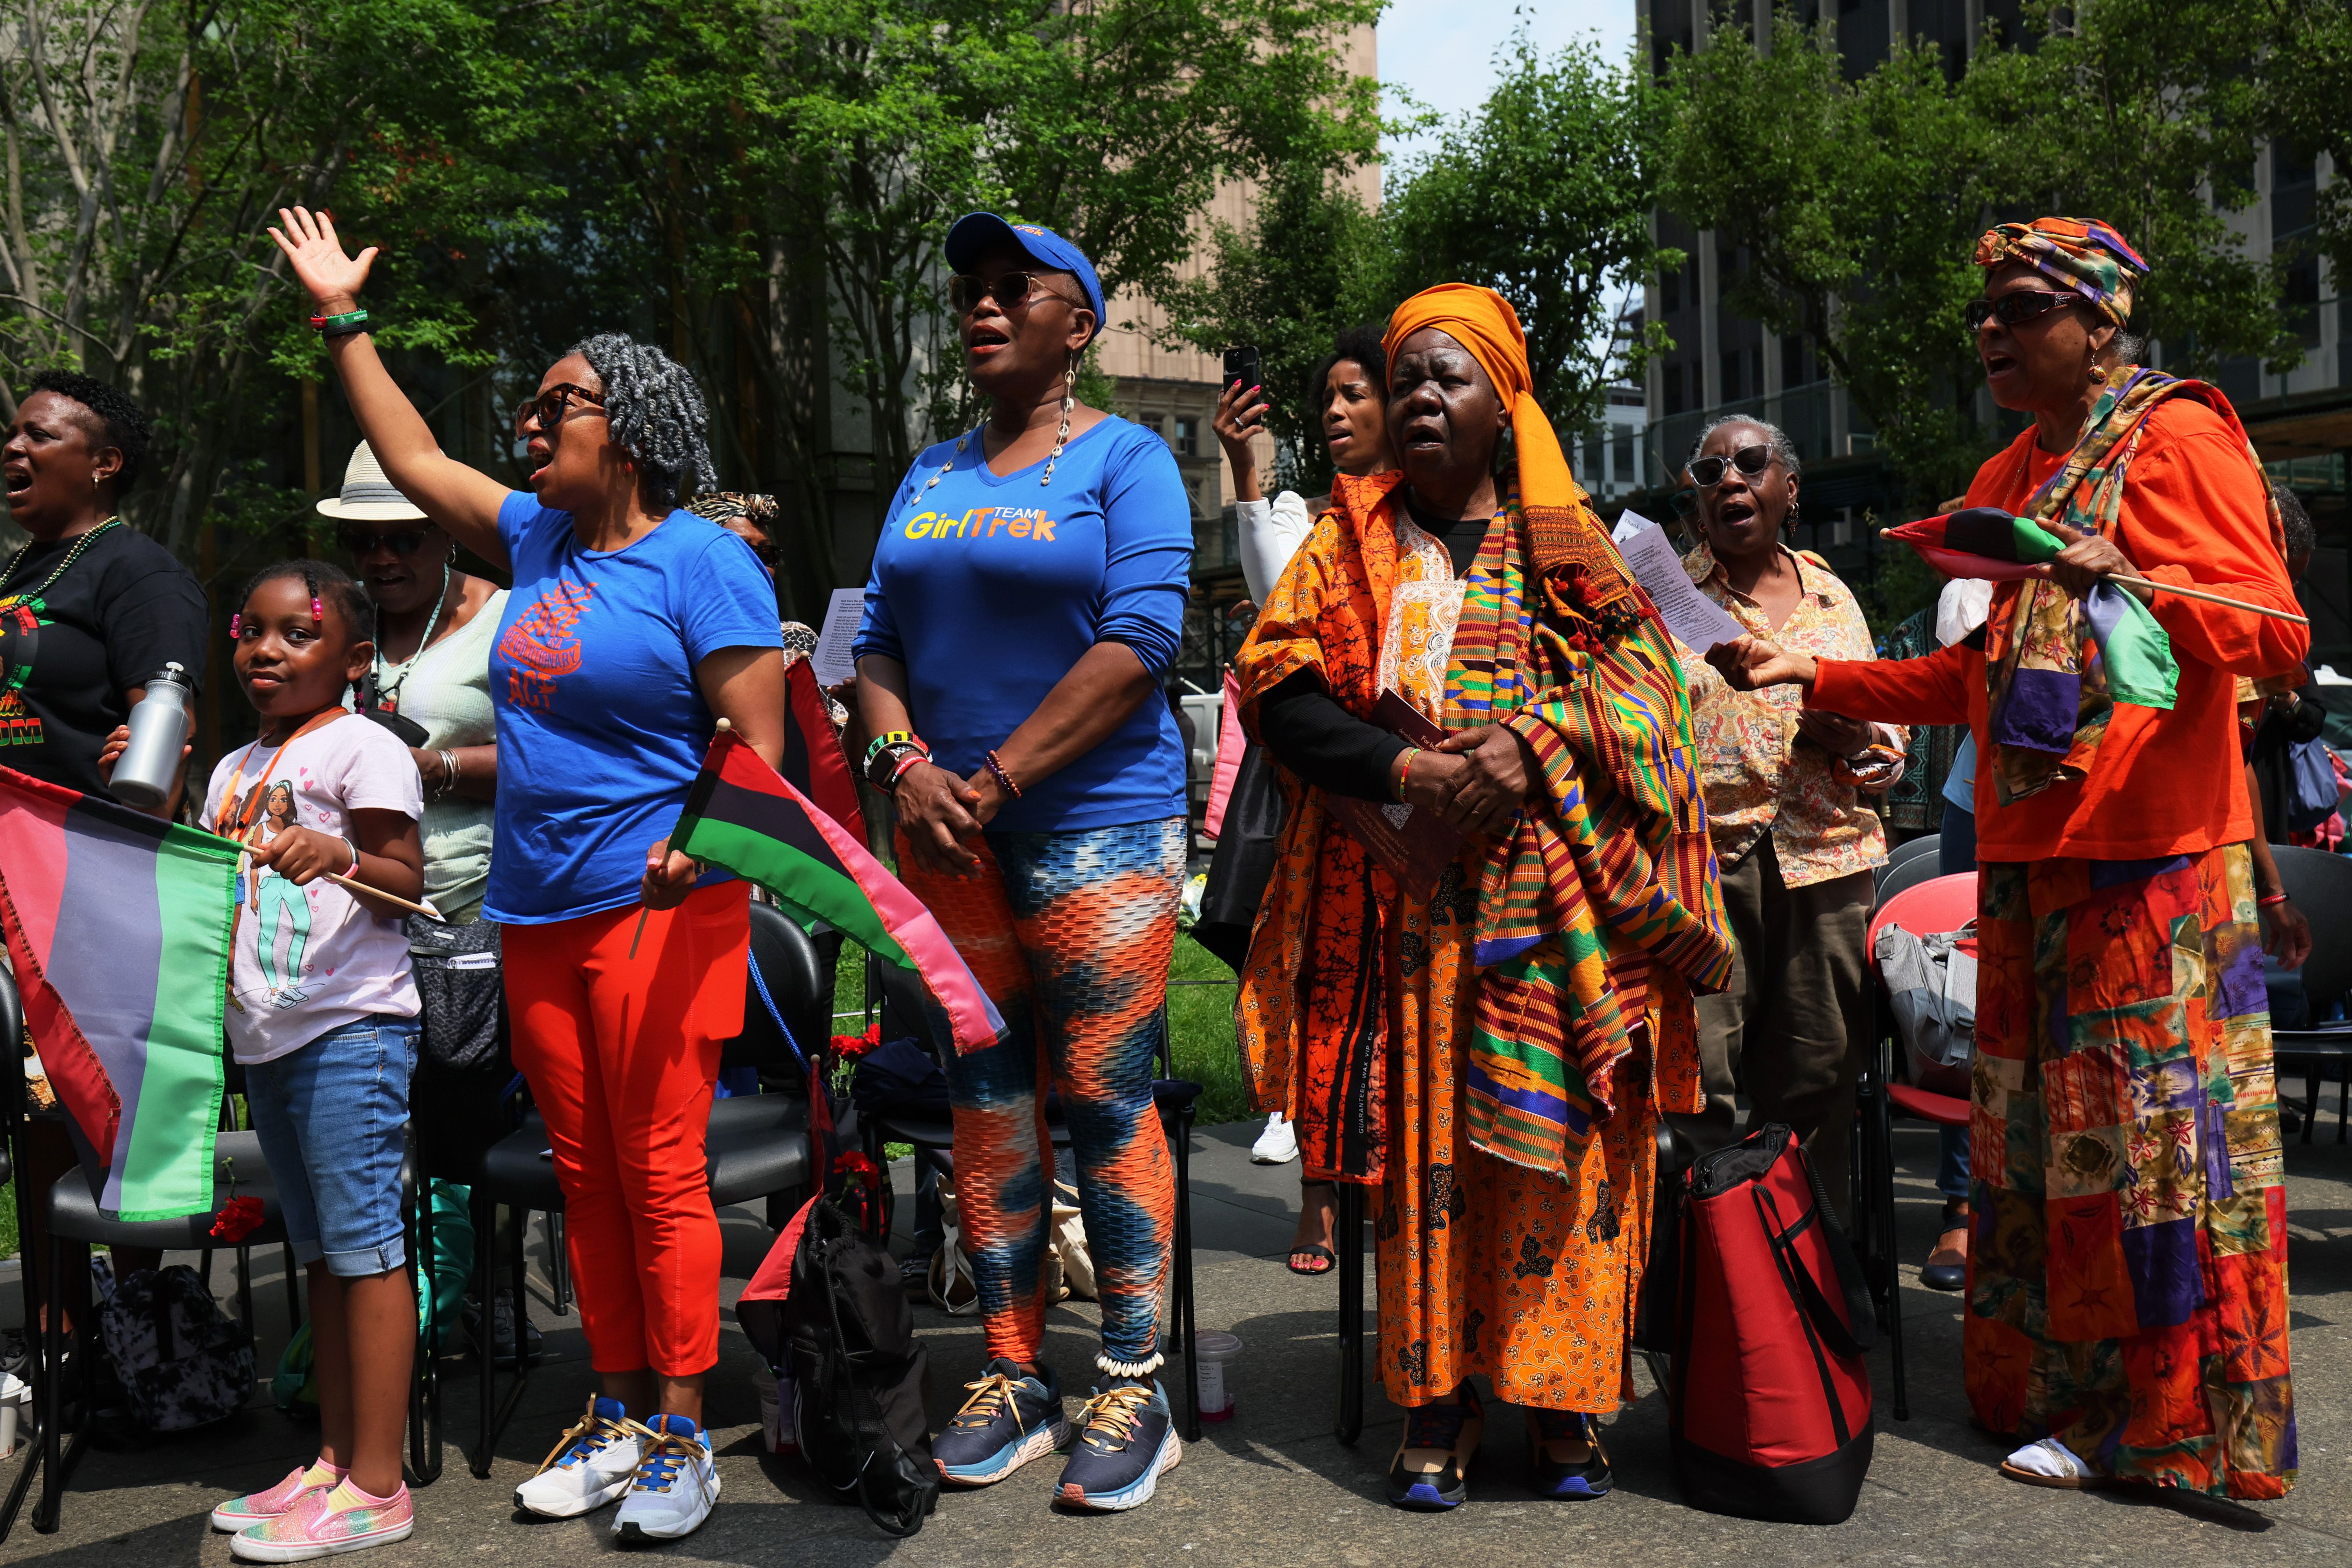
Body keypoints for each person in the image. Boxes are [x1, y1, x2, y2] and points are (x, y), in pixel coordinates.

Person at [1709, 216, 2302, 1498]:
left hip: (2153, 859)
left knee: (2155, 1152)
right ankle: (2069, 1401)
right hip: (2030, 864)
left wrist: (2135, 575)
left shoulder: (2178, 433)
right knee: (2047, 1150)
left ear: (2098, 326)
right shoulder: (2010, 468)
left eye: (2024, 307)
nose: (1991, 329)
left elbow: (2271, 634)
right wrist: (1808, 666)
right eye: (1983, 311)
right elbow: (1966, 682)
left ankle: (2171, 1428)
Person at [270, 205, 787, 1542]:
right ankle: (617, 1412)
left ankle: (682, 1426)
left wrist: (693, 841)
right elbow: (411, 451)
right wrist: (343, 317)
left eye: (559, 400)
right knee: (586, 1167)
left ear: (631, 424)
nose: (532, 423)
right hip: (534, 913)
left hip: (661, 908)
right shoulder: (544, 544)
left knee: (662, 1166)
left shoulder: (704, 562)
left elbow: (758, 741)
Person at [1235, 284, 1732, 1510]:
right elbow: (1277, 694)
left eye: (1444, 378)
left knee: (1571, 1154)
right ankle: (1438, 1399)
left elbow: (1657, 709)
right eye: (1403, 379)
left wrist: (1538, 742)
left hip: (1564, 927)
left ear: (1501, 403)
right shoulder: (1349, 542)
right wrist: (1408, 765)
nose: (1416, 400)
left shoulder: (1573, 551)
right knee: (1429, 1158)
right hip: (1407, 925)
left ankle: (1561, 1401)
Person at [852, 211, 1193, 1512]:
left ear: (1079, 322)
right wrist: (905, 772)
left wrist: (991, 779)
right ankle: (1010, 1367)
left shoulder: (1131, 459)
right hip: (946, 834)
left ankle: (1131, 1375)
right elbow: (876, 644)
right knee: (985, 1093)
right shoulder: (929, 470)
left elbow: (1139, 640)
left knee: (1104, 1095)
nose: (982, 306)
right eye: (971, 291)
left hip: (1097, 821)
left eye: (1015, 289)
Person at [168, 560, 425, 1559]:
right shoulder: (235, 769)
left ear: (355, 660)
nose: (264, 652)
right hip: (267, 1035)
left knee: (365, 1248)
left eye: (295, 634)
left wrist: (345, 860)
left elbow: (408, 877)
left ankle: (380, 1484)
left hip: (349, 1028)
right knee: (318, 1252)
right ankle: (330, 1461)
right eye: (251, 632)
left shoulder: (364, 748)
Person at [0, 371, 204, 1330]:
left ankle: (138, 1336)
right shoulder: (21, 574)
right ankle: (56, 1338)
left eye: (39, 435)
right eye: (12, 434)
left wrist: (148, 764)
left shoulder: (135, 571)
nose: (14, 448)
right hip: (11, 878)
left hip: (89, 879)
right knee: (33, 1114)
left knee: (90, 1104)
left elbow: (163, 723)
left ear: (104, 463)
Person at [1673, 415, 1903, 1223]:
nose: (1729, 480)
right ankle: (1707, 1289)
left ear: (1788, 488)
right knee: (1699, 1086)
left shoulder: (1831, 593)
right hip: (1703, 869)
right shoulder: (1662, 599)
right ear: (1696, 502)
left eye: (1749, 463)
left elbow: (1891, 745)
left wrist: (1854, 740)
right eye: (1709, 471)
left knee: (1816, 1083)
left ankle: (1810, 1287)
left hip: (1827, 868)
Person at [1212, 324, 1398, 1279]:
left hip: (1429, 829)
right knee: (1323, 1006)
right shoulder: (1315, 529)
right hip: (1329, 818)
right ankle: (1319, 1200)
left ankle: (1398, 1187)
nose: (1334, 410)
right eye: (1325, 395)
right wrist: (1248, 477)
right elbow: (1277, 615)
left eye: (1353, 394)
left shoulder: (1446, 530)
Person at [331, 442, 523, 1356]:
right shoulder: (333, 627)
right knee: (382, 1114)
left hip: (478, 902)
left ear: (444, 536)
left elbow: (559, 758)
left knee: (468, 1109)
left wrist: (433, 767)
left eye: (404, 539)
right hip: (357, 910)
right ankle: (399, 1307)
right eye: (366, 542)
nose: (383, 559)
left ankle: (486, 1298)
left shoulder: (507, 619)